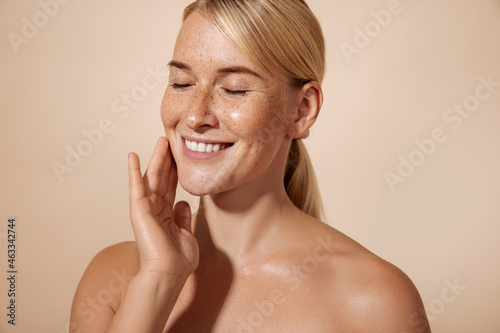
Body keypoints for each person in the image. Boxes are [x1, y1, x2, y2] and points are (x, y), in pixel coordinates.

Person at [70, 0, 431, 332]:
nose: (195, 115)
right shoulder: (112, 279)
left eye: (235, 89)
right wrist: (159, 279)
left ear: (302, 110)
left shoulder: (375, 302)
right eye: (181, 82)